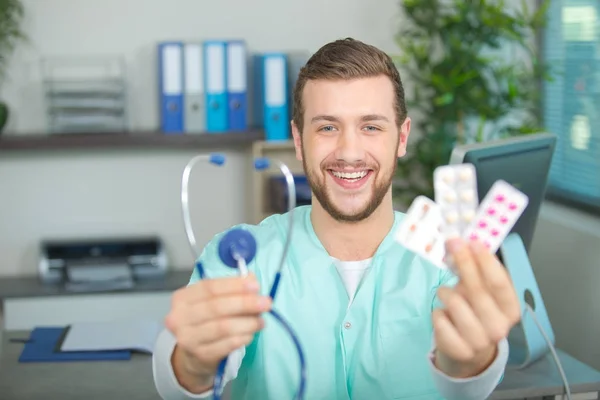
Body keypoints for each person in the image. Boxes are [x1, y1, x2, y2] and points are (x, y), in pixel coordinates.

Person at [152, 37, 521, 400]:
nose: (349, 152)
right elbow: (181, 382)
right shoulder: (241, 257)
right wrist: (193, 363)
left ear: (402, 137)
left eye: (371, 127)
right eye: (327, 127)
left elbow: (472, 379)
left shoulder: (449, 256)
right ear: (298, 140)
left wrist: (471, 362)